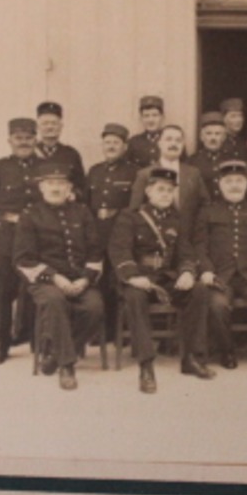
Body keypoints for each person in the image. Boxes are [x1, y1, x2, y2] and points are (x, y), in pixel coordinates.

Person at [112, 167, 215, 393]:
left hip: (165, 278)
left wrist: (188, 272)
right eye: (161, 189)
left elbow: (185, 253)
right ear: (148, 191)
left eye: (170, 190)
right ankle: (146, 365)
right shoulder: (130, 216)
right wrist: (132, 276)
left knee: (198, 291)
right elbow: (120, 251)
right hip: (138, 278)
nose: (166, 194)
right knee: (136, 298)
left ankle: (191, 358)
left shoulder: (176, 220)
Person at [12, 162, 105, 390]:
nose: (56, 188)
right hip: (45, 281)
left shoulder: (82, 212)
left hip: (79, 278)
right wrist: (56, 278)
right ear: (41, 187)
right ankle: (67, 366)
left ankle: (56, 354)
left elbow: (95, 251)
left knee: (95, 307)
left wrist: (84, 279)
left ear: (69, 188)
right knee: (55, 301)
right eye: (50, 183)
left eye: (61, 183)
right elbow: (24, 259)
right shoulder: (30, 215)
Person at [195, 159, 247, 381]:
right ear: (220, 185)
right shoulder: (208, 211)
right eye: (228, 181)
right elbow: (199, 246)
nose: (234, 185)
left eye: (239, 180)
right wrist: (206, 270)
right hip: (220, 276)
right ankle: (226, 349)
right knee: (218, 304)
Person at [0, 117, 41, 364]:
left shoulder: (46, 168)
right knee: (2, 294)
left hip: (36, 240)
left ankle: (35, 341)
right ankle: (0, 346)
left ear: (36, 139)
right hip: (4, 239)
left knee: (35, 292)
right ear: (10, 141)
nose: (24, 142)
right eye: (18, 138)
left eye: (28, 138)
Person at [86, 123, 138, 351]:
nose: (111, 146)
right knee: (99, 282)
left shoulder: (134, 171)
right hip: (97, 231)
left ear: (124, 146)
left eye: (116, 143)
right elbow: (87, 204)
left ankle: (121, 331)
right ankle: (101, 331)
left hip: (121, 232)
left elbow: (136, 206)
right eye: (107, 142)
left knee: (119, 282)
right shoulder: (95, 171)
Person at [127, 124, 209, 230]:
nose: (173, 144)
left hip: (188, 236)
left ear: (183, 144)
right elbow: (135, 210)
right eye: (168, 139)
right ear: (159, 143)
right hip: (156, 238)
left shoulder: (193, 173)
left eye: (178, 140)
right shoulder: (145, 174)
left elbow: (205, 205)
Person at [32, 101, 86, 201]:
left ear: (61, 126)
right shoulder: (30, 152)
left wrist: (72, 195)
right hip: (35, 212)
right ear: (38, 127)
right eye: (45, 123)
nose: (50, 127)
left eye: (54, 123)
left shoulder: (71, 154)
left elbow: (81, 187)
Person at [126, 95, 167, 169]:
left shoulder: (171, 139)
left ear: (162, 117)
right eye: (146, 116)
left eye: (155, 115)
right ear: (141, 118)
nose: (150, 120)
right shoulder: (134, 142)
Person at [188, 111, 230, 182]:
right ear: (202, 137)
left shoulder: (231, 159)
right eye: (208, 133)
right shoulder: (192, 162)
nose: (213, 138)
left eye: (217, 134)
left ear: (224, 137)